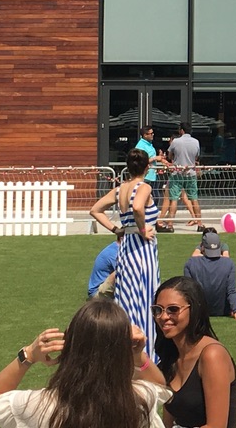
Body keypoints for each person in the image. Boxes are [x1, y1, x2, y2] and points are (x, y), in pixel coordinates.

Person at [0, 298, 169, 428]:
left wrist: (28, 355)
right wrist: (138, 355)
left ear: (70, 345)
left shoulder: (39, 405)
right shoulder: (139, 401)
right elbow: (159, 386)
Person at [90, 148, 160, 360]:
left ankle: (122, 350)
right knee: (147, 296)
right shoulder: (144, 187)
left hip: (126, 247)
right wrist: (142, 229)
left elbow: (95, 210)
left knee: (126, 297)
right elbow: (138, 207)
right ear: (147, 167)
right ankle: (147, 353)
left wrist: (115, 229)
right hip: (142, 248)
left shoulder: (120, 189)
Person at [154, 276, 236, 428]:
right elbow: (168, 422)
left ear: (194, 309)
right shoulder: (171, 356)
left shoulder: (212, 355)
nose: (164, 317)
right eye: (158, 310)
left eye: (173, 309)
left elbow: (216, 426)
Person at [184, 231, 236, 322]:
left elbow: (188, 291)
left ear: (202, 247)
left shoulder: (190, 263)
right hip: (223, 310)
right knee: (235, 300)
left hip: (199, 311)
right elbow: (231, 290)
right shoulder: (229, 263)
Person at [136, 125, 172, 232]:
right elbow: (140, 161)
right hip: (146, 177)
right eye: (150, 133)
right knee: (149, 199)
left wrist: (161, 160)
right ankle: (146, 222)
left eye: (153, 133)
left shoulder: (149, 145)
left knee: (155, 199)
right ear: (144, 135)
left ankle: (154, 222)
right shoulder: (141, 146)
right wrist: (155, 158)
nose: (152, 135)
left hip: (152, 176)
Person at [168, 123, 203, 229]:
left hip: (177, 172)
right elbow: (197, 156)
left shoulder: (176, 141)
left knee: (174, 199)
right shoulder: (196, 142)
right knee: (194, 199)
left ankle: (170, 224)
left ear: (181, 130)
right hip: (191, 173)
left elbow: (170, 155)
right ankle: (200, 224)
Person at [88, 231, 123, 299]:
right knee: (123, 269)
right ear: (122, 238)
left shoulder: (116, 247)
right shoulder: (114, 252)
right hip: (97, 292)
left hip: (105, 288)